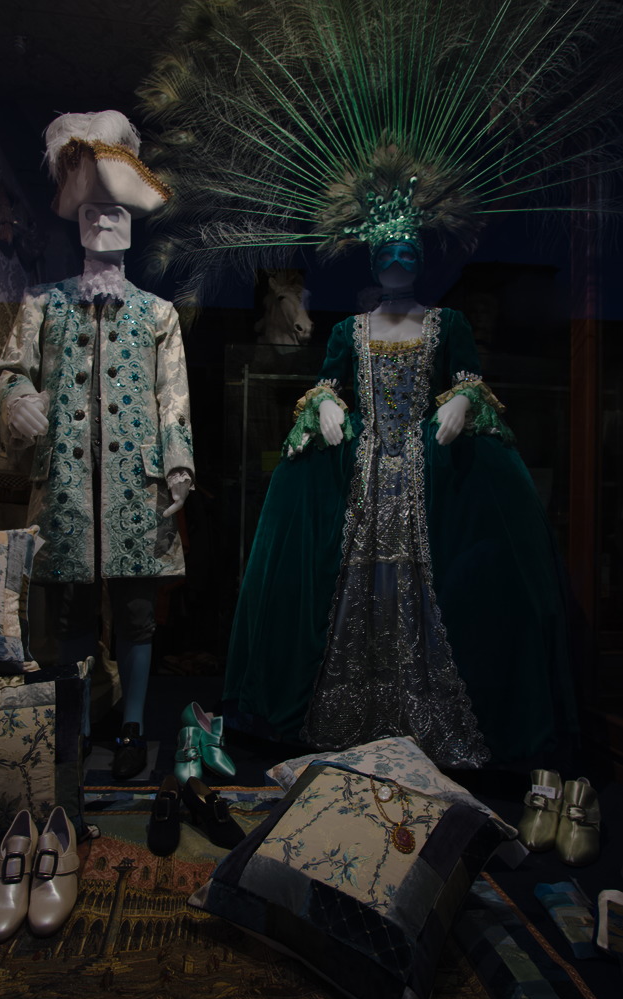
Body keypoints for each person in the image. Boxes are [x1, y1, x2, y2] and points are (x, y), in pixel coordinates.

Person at [224, 215, 578, 767]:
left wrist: (462, 399)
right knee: (348, 581)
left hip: (427, 472)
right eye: (388, 252)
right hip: (363, 477)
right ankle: (350, 711)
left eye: (408, 252)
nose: (397, 262)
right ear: (372, 260)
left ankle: (428, 712)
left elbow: (468, 378)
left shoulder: (447, 323)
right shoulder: (349, 331)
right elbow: (326, 382)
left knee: (438, 579)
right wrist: (326, 403)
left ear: (422, 260)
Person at [0, 111, 194, 780]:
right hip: (67, 488)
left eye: (114, 212)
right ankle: (75, 725)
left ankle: (132, 726)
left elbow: (171, 396)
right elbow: (8, 369)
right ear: (75, 223)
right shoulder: (42, 304)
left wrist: (179, 464)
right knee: (71, 614)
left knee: (136, 615)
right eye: (90, 213)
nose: (102, 222)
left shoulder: (158, 313)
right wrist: (16, 397)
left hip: (136, 486)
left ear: (131, 223)